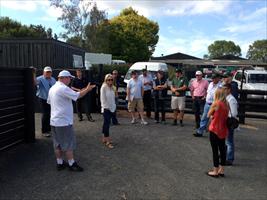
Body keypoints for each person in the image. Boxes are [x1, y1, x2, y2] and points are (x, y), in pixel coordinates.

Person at [47, 70, 95, 171]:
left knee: (57, 144)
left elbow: (49, 102)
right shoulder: (63, 88)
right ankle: (71, 163)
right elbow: (78, 96)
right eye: (69, 78)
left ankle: (59, 163)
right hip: (63, 122)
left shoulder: (52, 88)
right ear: (64, 78)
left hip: (54, 121)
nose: (70, 80)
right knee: (68, 144)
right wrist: (87, 89)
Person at [206, 88, 229, 177]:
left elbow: (208, 114)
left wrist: (213, 116)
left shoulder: (216, 103)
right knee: (222, 150)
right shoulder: (227, 104)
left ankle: (215, 171)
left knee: (215, 151)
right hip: (223, 129)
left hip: (215, 129)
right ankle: (222, 170)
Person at [36, 66, 56, 137]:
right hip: (43, 99)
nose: (48, 73)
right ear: (44, 72)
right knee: (45, 114)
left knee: (50, 114)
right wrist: (32, 73)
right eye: (47, 72)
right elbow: (34, 83)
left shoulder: (53, 79)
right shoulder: (40, 78)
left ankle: (49, 129)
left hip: (51, 99)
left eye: (49, 72)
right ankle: (44, 131)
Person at [223, 83, 238, 166]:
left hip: (229, 121)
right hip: (225, 120)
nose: (223, 90)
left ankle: (230, 158)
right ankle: (225, 156)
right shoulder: (226, 98)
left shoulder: (231, 99)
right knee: (226, 140)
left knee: (229, 141)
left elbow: (234, 113)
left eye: (225, 89)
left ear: (229, 89)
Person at [100, 74, 117, 149]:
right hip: (106, 108)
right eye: (108, 80)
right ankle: (108, 141)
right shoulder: (103, 87)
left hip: (112, 108)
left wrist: (114, 107)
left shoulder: (113, 87)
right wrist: (107, 108)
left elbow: (114, 98)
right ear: (105, 80)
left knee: (105, 123)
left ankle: (104, 138)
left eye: (111, 80)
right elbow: (103, 100)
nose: (110, 81)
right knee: (107, 124)